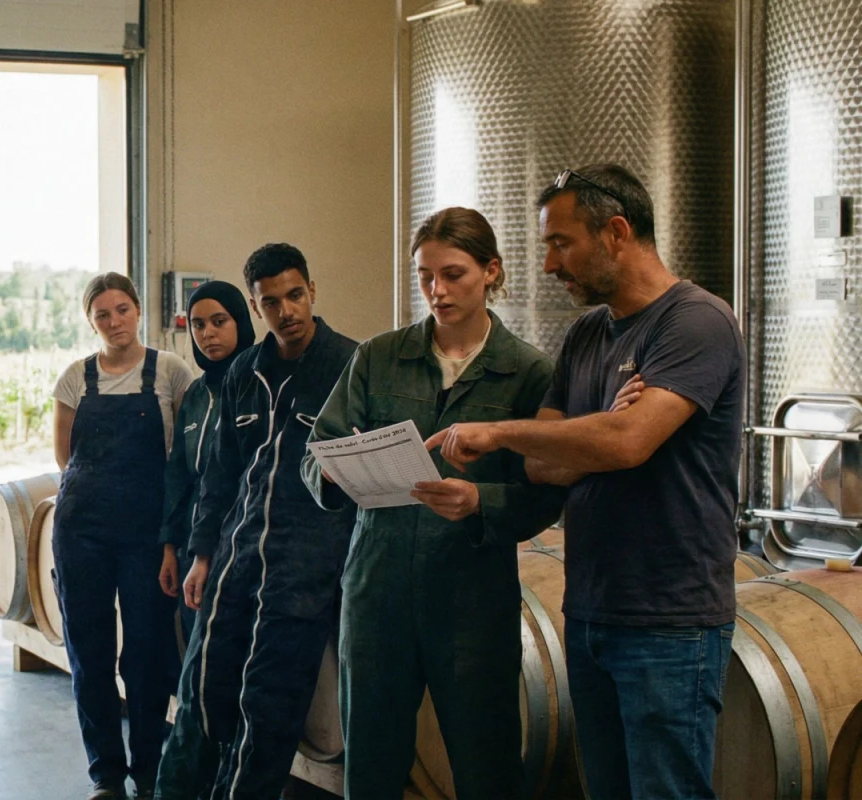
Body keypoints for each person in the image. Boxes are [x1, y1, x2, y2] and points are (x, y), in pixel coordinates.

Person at [426, 165, 745, 800]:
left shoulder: (696, 323)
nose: (548, 265)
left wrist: (507, 432)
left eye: (561, 243)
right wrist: (602, 428)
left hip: (670, 619)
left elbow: (627, 444)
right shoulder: (589, 333)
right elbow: (551, 466)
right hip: (593, 608)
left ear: (617, 232)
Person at [303, 208, 565, 799]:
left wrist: (481, 501)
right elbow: (314, 451)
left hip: (472, 599)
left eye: (453, 275)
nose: (437, 291)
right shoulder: (378, 357)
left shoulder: (527, 372)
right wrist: (340, 473)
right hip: (376, 593)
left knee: (487, 765)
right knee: (370, 766)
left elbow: (548, 494)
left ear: (491, 271)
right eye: (425, 276)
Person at [156, 243, 357, 800]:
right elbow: (219, 474)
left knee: (268, 708)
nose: (287, 311)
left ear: (312, 290)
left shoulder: (350, 365)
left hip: (305, 570)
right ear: (256, 305)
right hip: (233, 559)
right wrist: (201, 555)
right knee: (199, 691)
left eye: (295, 295)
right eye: (271, 302)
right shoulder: (245, 370)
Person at [51, 272, 193, 800]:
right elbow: (65, 456)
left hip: (146, 531)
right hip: (81, 529)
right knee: (89, 652)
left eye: (122, 310)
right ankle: (106, 775)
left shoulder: (170, 372)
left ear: (138, 310)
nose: (114, 322)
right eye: (102, 314)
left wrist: (171, 539)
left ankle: (150, 770)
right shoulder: (75, 378)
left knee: (146, 654)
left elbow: (181, 454)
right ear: (91, 321)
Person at [152, 279, 253, 795]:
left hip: (241, 548)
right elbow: (179, 475)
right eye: (198, 325)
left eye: (220, 321)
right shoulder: (194, 395)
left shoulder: (259, 381)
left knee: (226, 676)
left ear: (242, 320)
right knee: (198, 671)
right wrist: (173, 547)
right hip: (194, 553)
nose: (209, 334)